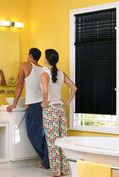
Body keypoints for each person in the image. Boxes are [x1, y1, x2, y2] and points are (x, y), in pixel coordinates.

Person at [7, 48, 50, 169]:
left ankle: (47, 161)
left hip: (35, 105)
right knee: (43, 134)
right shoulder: (43, 68)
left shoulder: (24, 65)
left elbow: (19, 85)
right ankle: (47, 160)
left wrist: (14, 104)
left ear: (30, 55)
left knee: (34, 135)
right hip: (44, 104)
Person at [41, 49, 77, 177]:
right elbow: (74, 88)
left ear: (46, 59)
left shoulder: (44, 75)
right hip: (61, 109)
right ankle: (65, 170)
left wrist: (44, 103)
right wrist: (66, 102)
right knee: (62, 140)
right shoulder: (61, 74)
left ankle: (56, 172)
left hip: (50, 110)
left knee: (52, 141)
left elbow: (45, 91)